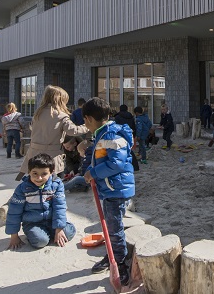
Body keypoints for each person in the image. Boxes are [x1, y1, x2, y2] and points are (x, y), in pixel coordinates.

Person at [83, 98, 135, 286]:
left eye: (84, 121)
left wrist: (94, 173)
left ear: (88, 119)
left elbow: (117, 163)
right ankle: (112, 254)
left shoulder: (111, 135)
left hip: (117, 189)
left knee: (114, 227)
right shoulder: (102, 133)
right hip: (110, 188)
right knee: (111, 226)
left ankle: (120, 263)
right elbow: (100, 156)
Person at [16, 85, 89, 181]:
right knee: (55, 184)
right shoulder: (61, 116)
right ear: (61, 100)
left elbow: (32, 127)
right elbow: (73, 131)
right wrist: (88, 125)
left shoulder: (38, 113)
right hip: (51, 157)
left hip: (34, 155)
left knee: (36, 182)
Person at [6, 153, 76, 249]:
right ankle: (41, 234)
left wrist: (59, 229)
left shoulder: (56, 185)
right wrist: (14, 235)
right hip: (33, 223)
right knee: (40, 241)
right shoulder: (22, 189)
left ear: (51, 172)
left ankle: (54, 231)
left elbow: (59, 206)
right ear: (29, 172)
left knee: (68, 232)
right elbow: (14, 211)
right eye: (35, 173)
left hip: (52, 220)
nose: (39, 178)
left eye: (44, 174)